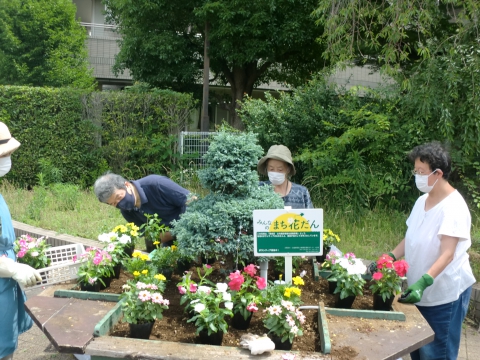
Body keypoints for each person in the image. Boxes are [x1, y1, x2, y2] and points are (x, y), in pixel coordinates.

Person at [390, 142, 475, 360]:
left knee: (437, 353)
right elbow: (411, 237)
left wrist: (423, 282)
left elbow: (448, 253)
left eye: (421, 172)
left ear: (438, 173)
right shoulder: (422, 201)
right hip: (422, 294)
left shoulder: (453, 206)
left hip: (443, 295)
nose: (417, 176)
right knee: (419, 350)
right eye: (415, 171)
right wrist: (390, 256)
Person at [0, 122, 42, 360]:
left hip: (4, 285)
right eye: (3, 155)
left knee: (6, 345)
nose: (7, 160)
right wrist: (13, 268)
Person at [93, 172, 192, 250]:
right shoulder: (126, 212)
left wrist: (179, 230)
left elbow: (192, 201)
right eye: (113, 203)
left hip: (193, 233)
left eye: (118, 197)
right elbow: (151, 236)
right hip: (171, 245)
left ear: (126, 185)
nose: (119, 204)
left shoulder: (156, 184)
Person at [257, 145, 313, 209]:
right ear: (266, 168)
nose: (275, 173)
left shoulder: (301, 192)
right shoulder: (259, 189)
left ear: (288, 169)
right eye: (271, 169)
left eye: (280, 169)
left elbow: (311, 217)